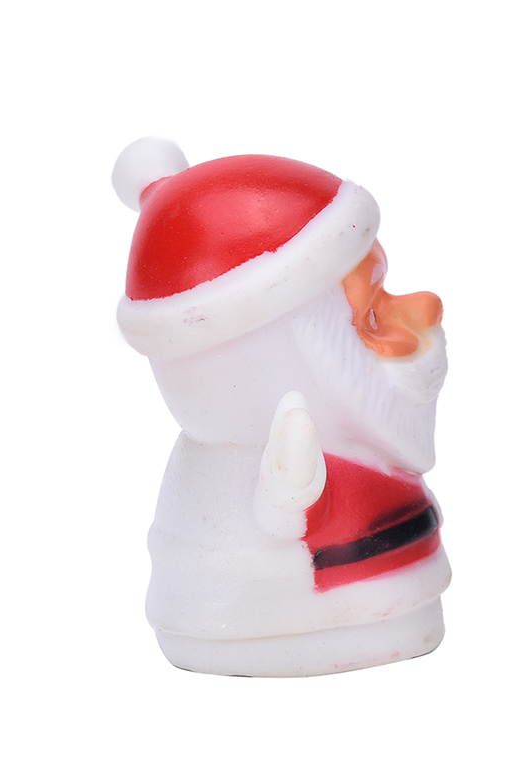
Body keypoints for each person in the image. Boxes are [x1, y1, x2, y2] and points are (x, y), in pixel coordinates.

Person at [113, 138, 450, 676]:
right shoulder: (238, 460)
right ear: (305, 348)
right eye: (371, 311)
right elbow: (274, 520)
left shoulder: (365, 439)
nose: (425, 309)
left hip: (402, 599)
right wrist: (288, 497)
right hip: (278, 617)